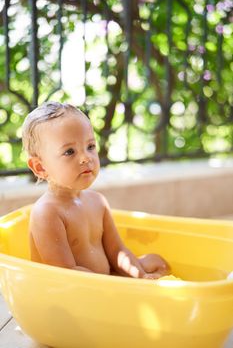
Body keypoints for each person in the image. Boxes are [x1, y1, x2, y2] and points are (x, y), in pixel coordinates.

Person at [22, 101, 170, 279]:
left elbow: (117, 252)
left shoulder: (97, 201)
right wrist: (117, 285)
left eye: (90, 146)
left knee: (157, 262)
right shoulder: (47, 213)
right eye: (69, 152)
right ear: (40, 167)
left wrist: (139, 276)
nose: (86, 157)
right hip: (71, 291)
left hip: (103, 280)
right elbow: (64, 275)